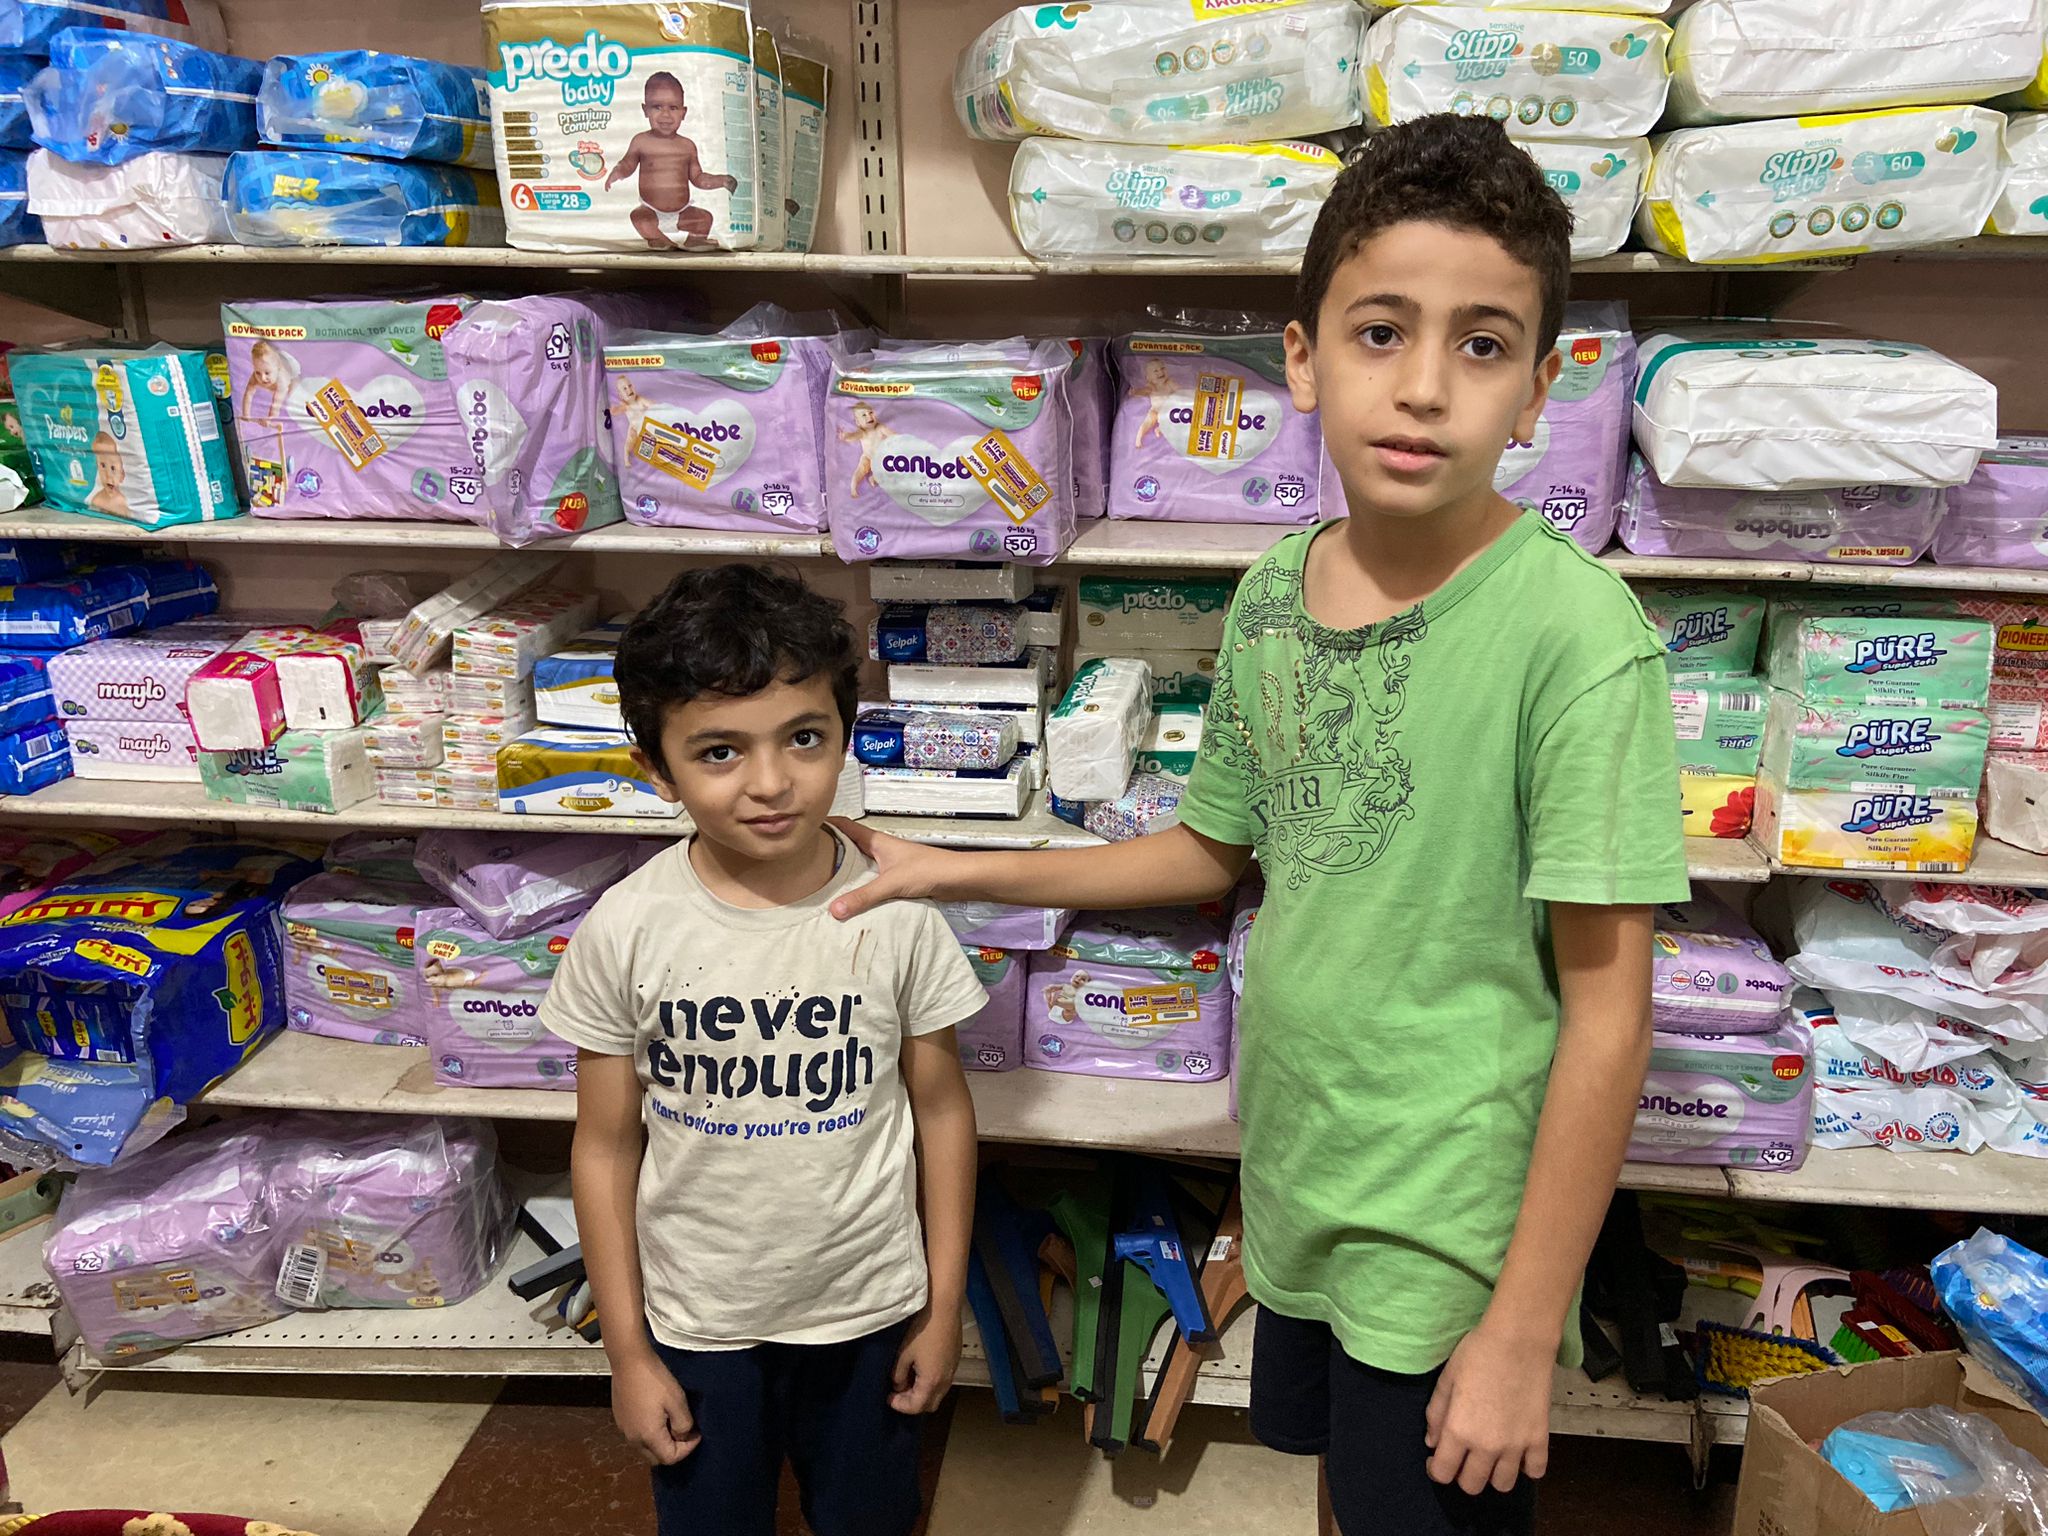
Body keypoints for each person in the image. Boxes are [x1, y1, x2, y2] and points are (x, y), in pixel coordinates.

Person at [830, 114, 1688, 1536]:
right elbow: (1214, 851)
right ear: (1300, 357)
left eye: (1482, 346)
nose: (1423, 388)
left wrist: (1525, 1330)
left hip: (1452, 1225)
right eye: (1379, 331)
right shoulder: (1276, 593)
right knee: (1349, 1490)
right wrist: (954, 862)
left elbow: (1609, 1015)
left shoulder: (1578, 640)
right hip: (1306, 1176)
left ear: (1542, 391)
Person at [540, 564, 986, 1536]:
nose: (772, 782)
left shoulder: (893, 915)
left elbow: (942, 1110)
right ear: (655, 766)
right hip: (698, 1321)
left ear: (843, 729)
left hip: (867, 1307)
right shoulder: (627, 930)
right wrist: (626, 1351)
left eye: (804, 738)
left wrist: (943, 1303)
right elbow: (605, 1148)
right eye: (718, 752)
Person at [605, 71, 739, 250]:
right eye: (657, 107)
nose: (665, 115)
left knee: (705, 218)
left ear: (684, 112)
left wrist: (721, 180)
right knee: (638, 218)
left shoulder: (687, 146)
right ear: (645, 110)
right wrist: (618, 171)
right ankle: (660, 240)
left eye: (673, 108)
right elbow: (628, 163)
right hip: (650, 210)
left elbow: (698, 178)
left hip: (682, 212)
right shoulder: (641, 141)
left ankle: (695, 240)